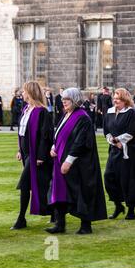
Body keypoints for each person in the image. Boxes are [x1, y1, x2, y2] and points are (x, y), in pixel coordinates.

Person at [48, 88, 107, 234]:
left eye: (67, 99)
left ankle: (86, 225)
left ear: (75, 100)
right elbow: (59, 134)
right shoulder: (66, 115)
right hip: (60, 160)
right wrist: (53, 146)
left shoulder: (82, 117)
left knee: (81, 192)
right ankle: (60, 224)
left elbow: (81, 142)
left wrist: (69, 160)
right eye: (63, 99)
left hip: (79, 163)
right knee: (59, 191)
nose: (63, 102)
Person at [11, 81, 54, 230]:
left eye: (24, 91)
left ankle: (21, 218)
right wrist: (19, 150)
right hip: (26, 152)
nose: (22, 94)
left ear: (30, 92)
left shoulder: (42, 111)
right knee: (39, 183)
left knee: (25, 184)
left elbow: (45, 136)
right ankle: (54, 213)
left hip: (35, 154)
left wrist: (41, 155)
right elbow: (22, 132)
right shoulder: (25, 109)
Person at [103, 88, 135, 220]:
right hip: (114, 149)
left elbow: (132, 132)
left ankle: (131, 209)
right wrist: (113, 141)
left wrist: (120, 140)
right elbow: (106, 130)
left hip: (128, 151)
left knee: (128, 180)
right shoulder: (110, 113)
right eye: (114, 98)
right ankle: (118, 205)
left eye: (117, 98)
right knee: (109, 177)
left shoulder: (131, 113)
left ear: (124, 99)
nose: (115, 100)